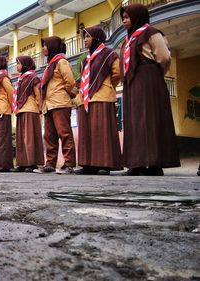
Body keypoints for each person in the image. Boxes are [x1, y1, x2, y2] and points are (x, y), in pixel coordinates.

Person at [120, 4, 180, 176]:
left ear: (138, 17)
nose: (124, 21)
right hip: (132, 81)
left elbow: (163, 56)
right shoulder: (129, 39)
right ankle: (136, 163)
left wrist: (153, 74)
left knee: (150, 119)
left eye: (127, 17)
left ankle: (154, 164)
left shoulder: (151, 33)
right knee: (134, 120)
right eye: (123, 17)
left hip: (148, 78)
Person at [76, 25, 122, 175]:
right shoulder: (86, 59)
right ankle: (88, 165)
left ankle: (104, 164)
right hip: (86, 100)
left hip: (102, 98)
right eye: (84, 37)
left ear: (96, 37)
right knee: (87, 133)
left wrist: (106, 86)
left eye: (88, 36)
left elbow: (117, 73)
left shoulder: (109, 54)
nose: (85, 40)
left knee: (101, 132)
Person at [39, 36, 77, 174]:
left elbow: (70, 82)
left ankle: (69, 164)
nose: (43, 48)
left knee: (64, 133)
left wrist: (62, 92)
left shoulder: (61, 62)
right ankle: (50, 164)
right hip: (48, 105)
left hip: (60, 103)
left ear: (53, 46)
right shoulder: (50, 64)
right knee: (49, 136)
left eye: (45, 45)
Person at [12, 56, 44, 173]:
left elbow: (38, 95)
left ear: (25, 64)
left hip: (30, 109)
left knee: (29, 138)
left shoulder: (33, 77)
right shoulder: (21, 79)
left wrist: (39, 109)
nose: (17, 66)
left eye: (19, 63)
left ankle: (31, 163)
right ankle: (22, 163)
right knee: (21, 138)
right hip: (21, 110)